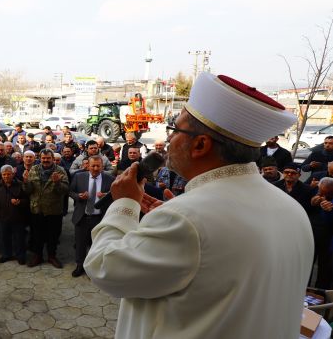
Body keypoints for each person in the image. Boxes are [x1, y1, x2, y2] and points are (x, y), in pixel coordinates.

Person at [84, 72, 313, 338]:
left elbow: (103, 268)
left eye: (175, 130)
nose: (169, 140)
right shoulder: (293, 210)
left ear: (200, 144)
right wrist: (169, 220)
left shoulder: (185, 219)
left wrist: (124, 204)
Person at [22, 148, 69, 268]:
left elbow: (64, 191)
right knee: (37, 235)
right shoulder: (33, 169)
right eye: (43, 158)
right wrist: (26, 182)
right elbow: (28, 191)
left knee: (52, 236)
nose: (46, 160)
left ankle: (52, 256)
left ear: (53, 159)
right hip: (37, 209)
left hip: (54, 210)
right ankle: (38, 256)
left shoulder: (60, 171)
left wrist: (58, 182)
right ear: (40, 159)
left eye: (48, 158)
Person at [69, 155, 114, 277]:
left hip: (99, 218)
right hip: (82, 216)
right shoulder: (79, 176)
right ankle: (80, 265)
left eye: (98, 166)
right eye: (92, 165)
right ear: (87, 166)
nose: (95, 168)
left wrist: (106, 196)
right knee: (80, 243)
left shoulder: (109, 178)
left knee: (97, 244)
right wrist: (79, 196)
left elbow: (114, 195)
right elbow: (71, 191)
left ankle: (93, 267)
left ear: (102, 166)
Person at [0, 164, 28, 264]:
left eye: (8, 174)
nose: (6, 176)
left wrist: (19, 202)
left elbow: (27, 199)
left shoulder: (20, 184)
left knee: (19, 238)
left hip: (17, 216)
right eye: (4, 174)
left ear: (13, 174)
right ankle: (6, 255)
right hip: (2, 216)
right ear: (1, 175)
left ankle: (20, 256)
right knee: (4, 237)